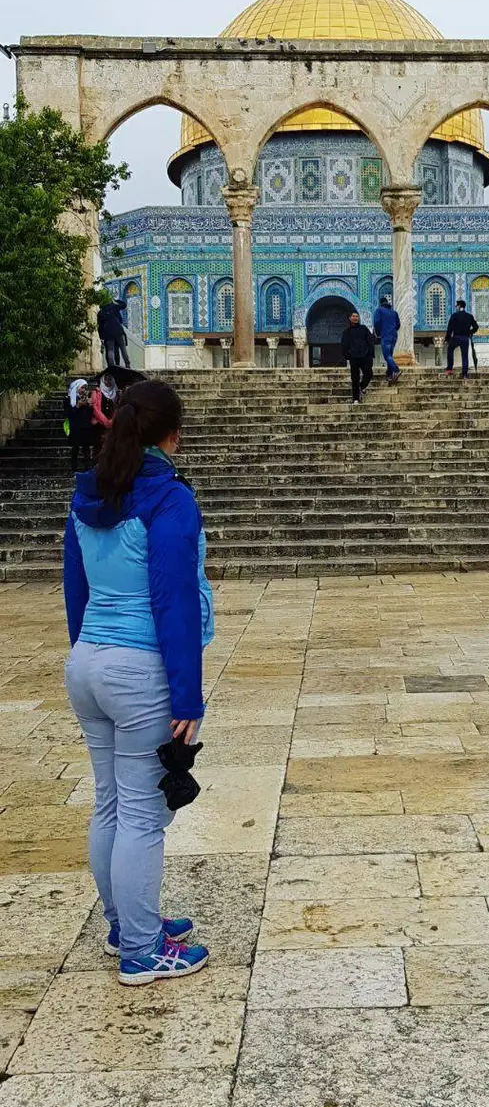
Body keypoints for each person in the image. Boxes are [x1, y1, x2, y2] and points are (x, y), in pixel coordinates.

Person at [63, 379, 215, 987]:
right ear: (172, 433)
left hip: (89, 664)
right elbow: (173, 600)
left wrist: (87, 654)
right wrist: (187, 694)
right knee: (143, 815)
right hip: (139, 669)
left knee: (111, 802)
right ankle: (144, 950)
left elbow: (78, 590)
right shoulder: (169, 500)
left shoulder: (87, 494)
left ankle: (124, 924)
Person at [64, 380, 99, 473]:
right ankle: (74, 469)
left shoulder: (86, 399)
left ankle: (87, 469)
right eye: (82, 387)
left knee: (86, 449)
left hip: (86, 427)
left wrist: (90, 405)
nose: (83, 390)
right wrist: (77, 406)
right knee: (75, 449)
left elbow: (90, 414)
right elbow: (68, 414)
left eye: (85, 388)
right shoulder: (68, 399)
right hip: (75, 428)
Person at [340, 311, 375, 404]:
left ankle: (362, 386)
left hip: (365, 357)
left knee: (369, 374)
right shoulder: (346, 332)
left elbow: (370, 341)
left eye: (357, 316)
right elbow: (344, 345)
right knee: (355, 378)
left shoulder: (364, 329)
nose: (355, 318)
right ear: (350, 318)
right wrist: (348, 356)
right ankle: (356, 398)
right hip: (354, 358)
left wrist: (370, 354)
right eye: (353, 316)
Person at [444, 300, 479, 378]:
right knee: (465, 355)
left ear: (459, 306)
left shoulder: (454, 316)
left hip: (456, 337)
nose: (456, 307)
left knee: (450, 349)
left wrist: (447, 339)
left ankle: (449, 368)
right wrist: (470, 332)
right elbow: (476, 327)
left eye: (456, 306)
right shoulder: (469, 316)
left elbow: (449, 328)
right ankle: (464, 374)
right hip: (465, 338)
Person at [373, 295, 401, 384]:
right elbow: (398, 324)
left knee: (387, 356)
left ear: (380, 303)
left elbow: (377, 322)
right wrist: (393, 330)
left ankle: (396, 370)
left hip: (386, 335)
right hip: (394, 336)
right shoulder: (394, 312)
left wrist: (378, 333)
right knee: (390, 355)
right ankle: (389, 374)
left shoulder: (379, 310)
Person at [98, 300, 131, 369]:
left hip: (108, 332)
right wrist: (115, 301)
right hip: (118, 330)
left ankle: (112, 366)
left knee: (110, 349)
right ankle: (127, 364)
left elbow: (100, 327)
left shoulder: (100, 313)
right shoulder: (114, 307)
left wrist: (101, 338)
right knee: (123, 348)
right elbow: (124, 305)